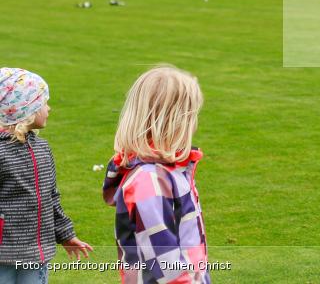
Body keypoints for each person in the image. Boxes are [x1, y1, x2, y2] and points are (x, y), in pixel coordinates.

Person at [102, 66, 208, 284]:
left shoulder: (170, 171)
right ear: (175, 121)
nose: (195, 124)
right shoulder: (149, 181)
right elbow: (165, 266)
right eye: (191, 116)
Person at [0, 68, 93, 282]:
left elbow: (51, 197)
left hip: (36, 253)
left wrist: (66, 234)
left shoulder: (42, 148)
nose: (49, 108)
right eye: (43, 103)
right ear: (26, 108)